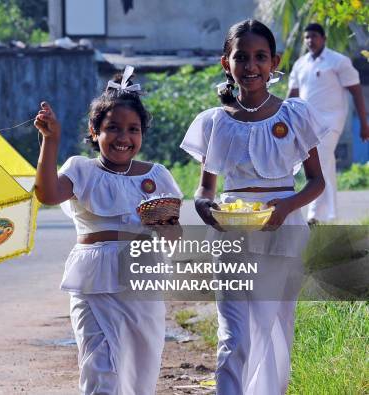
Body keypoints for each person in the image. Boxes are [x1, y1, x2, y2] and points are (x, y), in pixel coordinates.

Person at [181, 20, 327, 394]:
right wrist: (206, 209)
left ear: (274, 62)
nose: (251, 66)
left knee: (275, 327)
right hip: (232, 233)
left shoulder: (294, 115)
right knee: (233, 331)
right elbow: (204, 189)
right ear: (225, 63)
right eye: (240, 57)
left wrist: (286, 206)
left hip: (283, 231)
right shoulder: (215, 123)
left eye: (260, 57)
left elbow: (316, 182)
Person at [34, 67, 183, 394]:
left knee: (140, 370)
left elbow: (175, 237)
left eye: (133, 129)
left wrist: (162, 222)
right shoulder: (80, 169)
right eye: (112, 128)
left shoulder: (157, 176)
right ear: (94, 130)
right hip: (93, 282)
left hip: (142, 280)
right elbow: (46, 194)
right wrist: (51, 141)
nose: (123, 138)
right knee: (101, 370)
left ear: (142, 134)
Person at [288, 22, 369, 225]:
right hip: (307, 122)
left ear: (324, 38)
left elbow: (357, 91)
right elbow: (291, 95)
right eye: (307, 37)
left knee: (319, 159)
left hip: (332, 120)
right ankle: (332, 214)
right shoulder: (301, 64)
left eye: (314, 36)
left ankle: (314, 215)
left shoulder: (338, 61)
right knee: (326, 164)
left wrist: (364, 123)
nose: (310, 40)